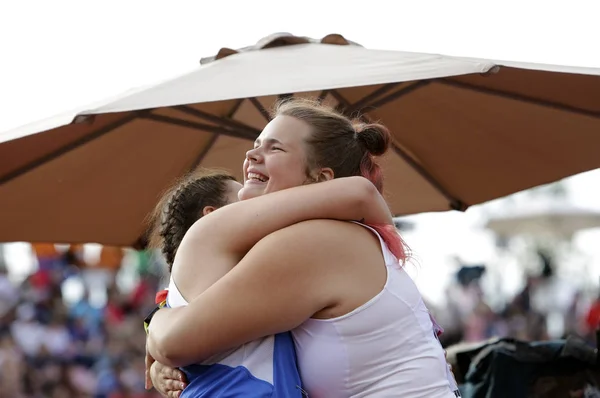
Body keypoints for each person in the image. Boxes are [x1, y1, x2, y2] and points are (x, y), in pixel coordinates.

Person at [147, 98, 459, 397]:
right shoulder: (331, 237)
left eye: (275, 148)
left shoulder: (315, 243)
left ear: (320, 179)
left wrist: (156, 325)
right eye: (256, 145)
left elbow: (176, 342)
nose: (252, 155)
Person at [145, 167, 397, 397]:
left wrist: (154, 329)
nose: (258, 202)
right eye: (242, 197)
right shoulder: (208, 244)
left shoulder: (195, 284)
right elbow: (358, 193)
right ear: (211, 215)